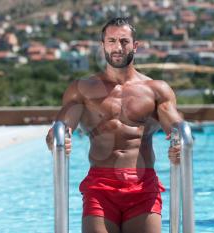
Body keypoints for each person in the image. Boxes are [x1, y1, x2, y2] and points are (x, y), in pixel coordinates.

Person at [46, 17, 182, 233]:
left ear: (135, 46)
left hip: (142, 186)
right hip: (100, 186)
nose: (118, 47)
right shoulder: (82, 89)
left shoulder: (156, 90)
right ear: (103, 46)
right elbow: (60, 128)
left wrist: (180, 145)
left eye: (124, 41)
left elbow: (177, 127)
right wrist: (57, 140)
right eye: (111, 41)